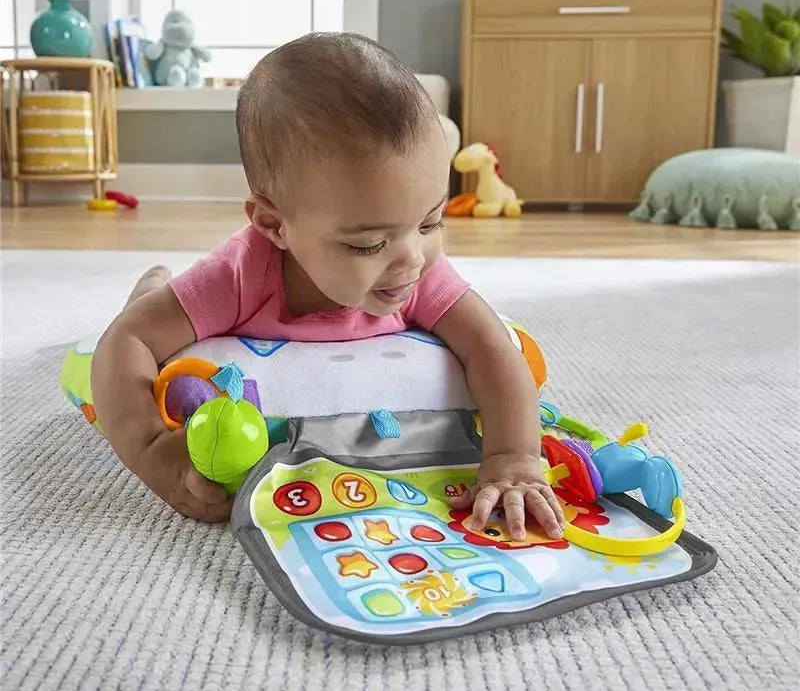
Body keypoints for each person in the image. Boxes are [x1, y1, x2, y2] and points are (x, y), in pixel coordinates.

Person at [91, 33, 566, 542]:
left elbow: (491, 345)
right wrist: (151, 453)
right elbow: (128, 339)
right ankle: (152, 284)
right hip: (213, 306)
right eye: (368, 244)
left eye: (430, 223)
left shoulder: (419, 272)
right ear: (275, 226)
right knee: (151, 311)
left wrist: (514, 458)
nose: (412, 257)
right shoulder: (238, 276)